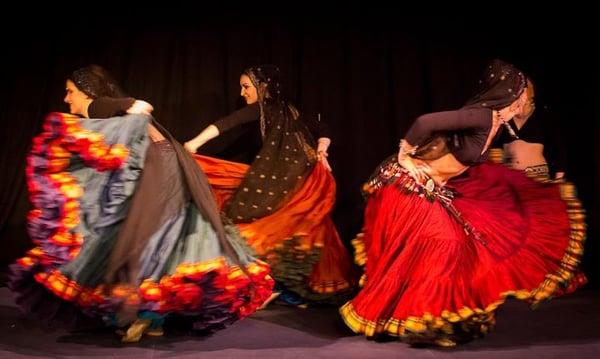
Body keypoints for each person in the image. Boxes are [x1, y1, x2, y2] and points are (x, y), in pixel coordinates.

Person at [9, 64, 273, 343]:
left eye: (70, 92)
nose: (66, 98)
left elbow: (139, 107)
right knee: (163, 237)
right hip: (166, 162)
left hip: (161, 166)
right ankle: (153, 318)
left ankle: (145, 314)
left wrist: (134, 107)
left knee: (145, 238)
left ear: (86, 93)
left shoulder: (98, 105)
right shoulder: (101, 114)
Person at [340, 59, 586, 346]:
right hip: (406, 185)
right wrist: (405, 154)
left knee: (451, 247)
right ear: (508, 94)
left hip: (429, 188)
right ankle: (420, 317)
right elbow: (424, 122)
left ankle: (427, 317)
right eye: (521, 96)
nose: (524, 102)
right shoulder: (482, 116)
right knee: (445, 242)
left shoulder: (495, 124)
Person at [184, 65, 355, 305]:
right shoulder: (291, 111)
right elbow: (324, 129)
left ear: (262, 87)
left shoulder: (266, 109)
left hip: (293, 178)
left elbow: (226, 123)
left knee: (266, 229)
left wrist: (193, 144)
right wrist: (321, 149)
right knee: (295, 231)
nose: (242, 93)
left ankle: (269, 286)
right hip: (302, 177)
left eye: (246, 87)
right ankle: (283, 288)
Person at [489, 77, 567, 181]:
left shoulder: (543, 116)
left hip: (537, 181)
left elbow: (558, 148)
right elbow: (492, 148)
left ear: (530, 96)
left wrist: (559, 179)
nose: (519, 103)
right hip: (510, 180)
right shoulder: (504, 116)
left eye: (523, 98)